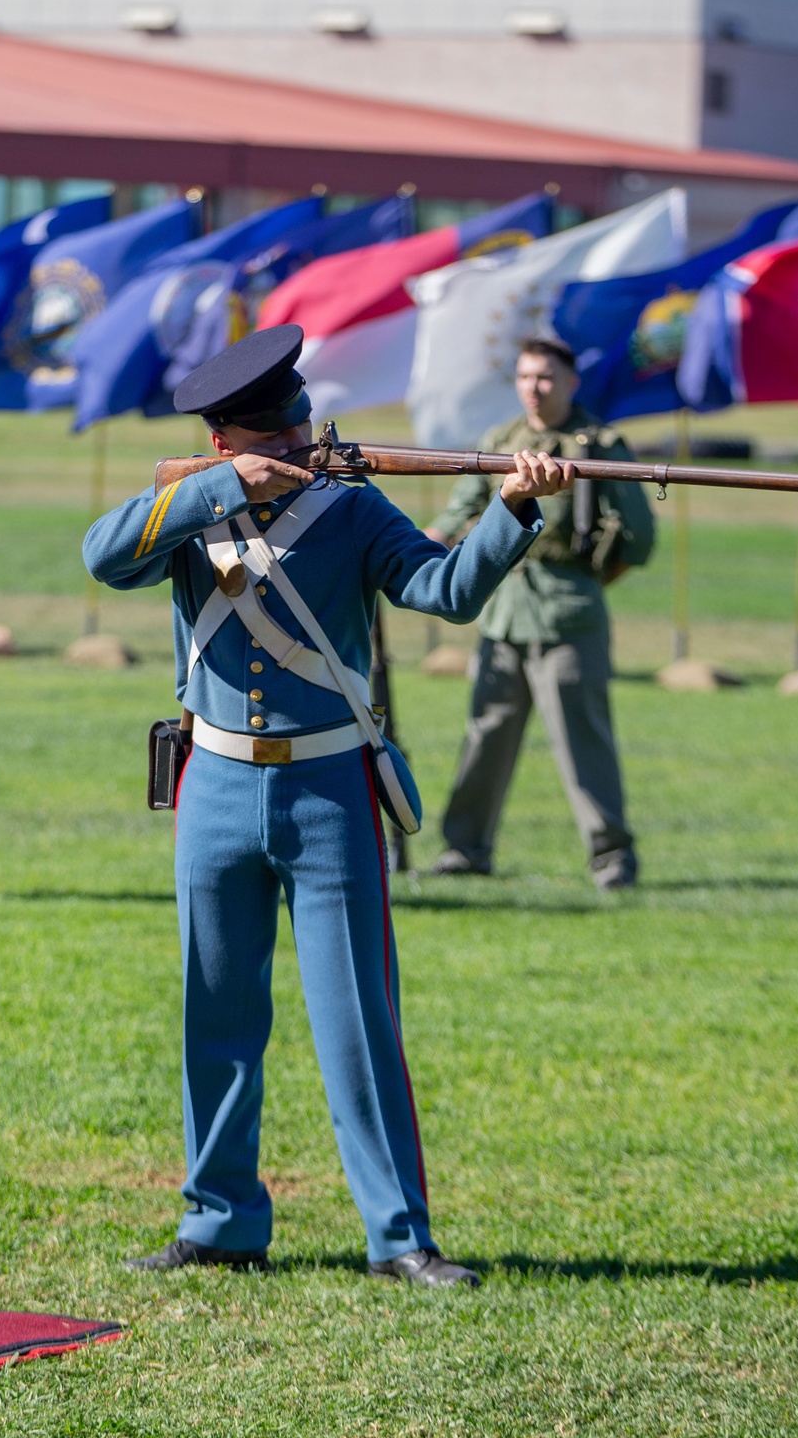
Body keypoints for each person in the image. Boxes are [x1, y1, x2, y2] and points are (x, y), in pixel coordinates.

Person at [83, 324, 571, 1286]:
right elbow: (105, 557)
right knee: (215, 1014)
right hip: (213, 786)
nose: (304, 451)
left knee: (357, 1023)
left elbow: (443, 590)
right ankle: (219, 1222)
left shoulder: (350, 508)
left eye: (304, 435)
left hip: (329, 788)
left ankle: (400, 1237)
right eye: (283, 442)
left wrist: (512, 509)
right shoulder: (193, 502)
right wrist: (225, 489)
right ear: (231, 443)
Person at [425, 337, 655, 891]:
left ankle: (611, 855)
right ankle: (465, 848)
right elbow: (461, 512)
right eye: (526, 376)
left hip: (568, 615)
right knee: (485, 735)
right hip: (502, 612)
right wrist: (415, 550)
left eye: (546, 377)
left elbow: (638, 540)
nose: (534, 387)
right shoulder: (500, 441)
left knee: (583, 741)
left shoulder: (599, 443)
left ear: (571, 382)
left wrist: (587, 580)